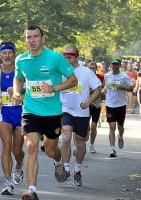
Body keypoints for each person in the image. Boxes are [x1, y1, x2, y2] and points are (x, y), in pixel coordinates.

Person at [13, 25, 77, 200]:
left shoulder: (55, 58)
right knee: (32, 146)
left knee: (50, 150)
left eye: (35, 36)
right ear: (25, 40)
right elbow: (18, 78)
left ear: (42, 38)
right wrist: (17, 92)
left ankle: (58, 161)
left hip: (52, 112)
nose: (32, 40)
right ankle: (32, 190)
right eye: (28, 37)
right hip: (30, 110)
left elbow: (73, 80)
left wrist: (54, 87)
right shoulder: (21, 60)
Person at [60, 47, 101, 186]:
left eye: (70, 57)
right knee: (65, 136)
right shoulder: (60, 71)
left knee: (80, 141)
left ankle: (77, 170)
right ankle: (65, 169)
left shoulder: (86, 72)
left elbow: (97, 89)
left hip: (81, 112)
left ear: (77, 57)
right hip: (65, 110)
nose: (67, 59)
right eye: (64, 57)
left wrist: (89, 101)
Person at [0, 41, 24, 195]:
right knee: (6, 146)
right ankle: (8, 182)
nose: (7, 56)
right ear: (0, 55)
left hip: (22, 111)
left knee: (17, 150)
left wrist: (19, 91)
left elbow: (30, 88)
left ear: (14, 54)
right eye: (4, 53)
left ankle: (19, 165)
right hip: (4, 113)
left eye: (10, 52)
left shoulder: (21, 70)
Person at [104, 58, 133, 158]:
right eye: (113, 65)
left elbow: (131, 88)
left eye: (117, 65)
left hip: (120, 105)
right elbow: (105, 88)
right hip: (110, 105)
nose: (115, 67)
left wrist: (123, 87)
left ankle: (120, 136)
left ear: (120, 66)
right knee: (112, 127)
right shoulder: (107, 75)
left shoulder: (124, 76)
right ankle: (112, 149)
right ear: (111, 66)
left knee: (120, 127)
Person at [87, 62, 105, 153]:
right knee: (86, 126)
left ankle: (91, 145)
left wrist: (102, 94)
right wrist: (93, 91)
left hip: (96, 105)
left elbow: (102, 90)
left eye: (93, 68)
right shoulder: (84, 77)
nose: (92, 70)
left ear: (96, 69)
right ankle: (85, 137)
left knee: (93, 126)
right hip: (86, 104)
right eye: (90, 68)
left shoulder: (101, 77)